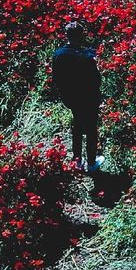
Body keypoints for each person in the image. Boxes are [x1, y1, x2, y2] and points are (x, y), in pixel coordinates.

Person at [51, 21, 102, 172]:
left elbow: (56, 79)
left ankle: (77, 161)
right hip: (88, 97)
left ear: (66, 35)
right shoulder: (87, 56)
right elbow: (96, 80)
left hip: (71, 98)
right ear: (81, 36)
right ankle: (91, 163)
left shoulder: (58, 55)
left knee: (78, 126)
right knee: (91, 128)